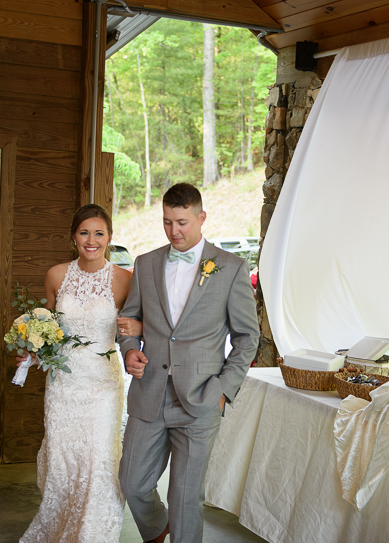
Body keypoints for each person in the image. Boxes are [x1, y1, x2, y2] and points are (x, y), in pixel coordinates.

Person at [117, 183, 260, 543]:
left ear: (201, 218)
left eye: (181, 222)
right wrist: (130, 349)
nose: (173, 231)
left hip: (201, 398)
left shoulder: (230, 267)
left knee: (184, 498)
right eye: (166, 222)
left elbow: (247, 337)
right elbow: (129, 320)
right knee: (131, 483)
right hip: (149, 392)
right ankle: (155, 526)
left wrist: (223, 389)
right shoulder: (145, 263)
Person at [18, 203, 142, 543]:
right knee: (62, 454)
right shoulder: (56, 275)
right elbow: (50, 327)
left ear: (110, 238)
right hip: (63, 383)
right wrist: (31, 349)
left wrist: (138, 325)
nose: (92, 240)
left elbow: (137, 328)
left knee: (98, 457)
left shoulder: (124, 280)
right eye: (84, 232)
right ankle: (59, 526)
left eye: (99, 233)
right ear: (74, 236)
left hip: (103, 384)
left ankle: (93, 534)